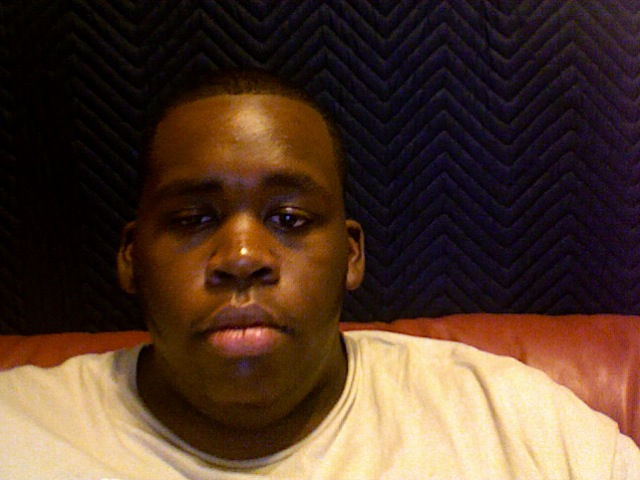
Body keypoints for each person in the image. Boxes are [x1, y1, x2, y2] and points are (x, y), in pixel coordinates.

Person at [0, 68, 638, 479]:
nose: (242, 256)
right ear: (131, 257)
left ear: (351, 255)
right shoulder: (18, 430)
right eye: (193, 219)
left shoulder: (514, 423)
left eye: (289, 218)